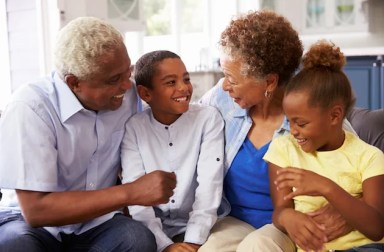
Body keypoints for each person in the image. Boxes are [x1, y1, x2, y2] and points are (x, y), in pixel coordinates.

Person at [0, 17, 177, 252]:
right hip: (29, 225)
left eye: (128, 72)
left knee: (137, 239)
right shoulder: (31, 107)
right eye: (114, 80)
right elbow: (36, 210)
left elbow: (180, 112)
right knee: (15, 245)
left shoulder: (128, 96)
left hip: (97, 222)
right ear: (74, 83)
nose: (126, 85)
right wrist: (132, 192)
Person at [199, 10, 356, 252]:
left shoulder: (309, 111)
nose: (225, 85)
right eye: (224, 75)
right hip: (233, 219)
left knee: (257, 248)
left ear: (269, 82)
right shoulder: (221, 98)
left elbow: (364, 165)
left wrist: (351, 207)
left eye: (232, 78)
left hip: (288, 225)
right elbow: (183, 129)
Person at [265, 40, 384, 251]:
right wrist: (287, 217)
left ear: (334, 116)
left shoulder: (369, 157)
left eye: (301, 123)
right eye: (289, 120)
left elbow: (376, 228)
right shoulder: (283, 149)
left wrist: (326, 187)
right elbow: (280, 210)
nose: (292, 130)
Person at [120, 50, 225, 252]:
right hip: (153, 231)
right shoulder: (134, 127)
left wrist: (193, 242)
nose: (184, 88)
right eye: (171, 82)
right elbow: (136, 196)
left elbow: (209, 186)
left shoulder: (207, 119)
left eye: (186, 79)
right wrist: (165, 246)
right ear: (145, 94)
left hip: (204, 226)